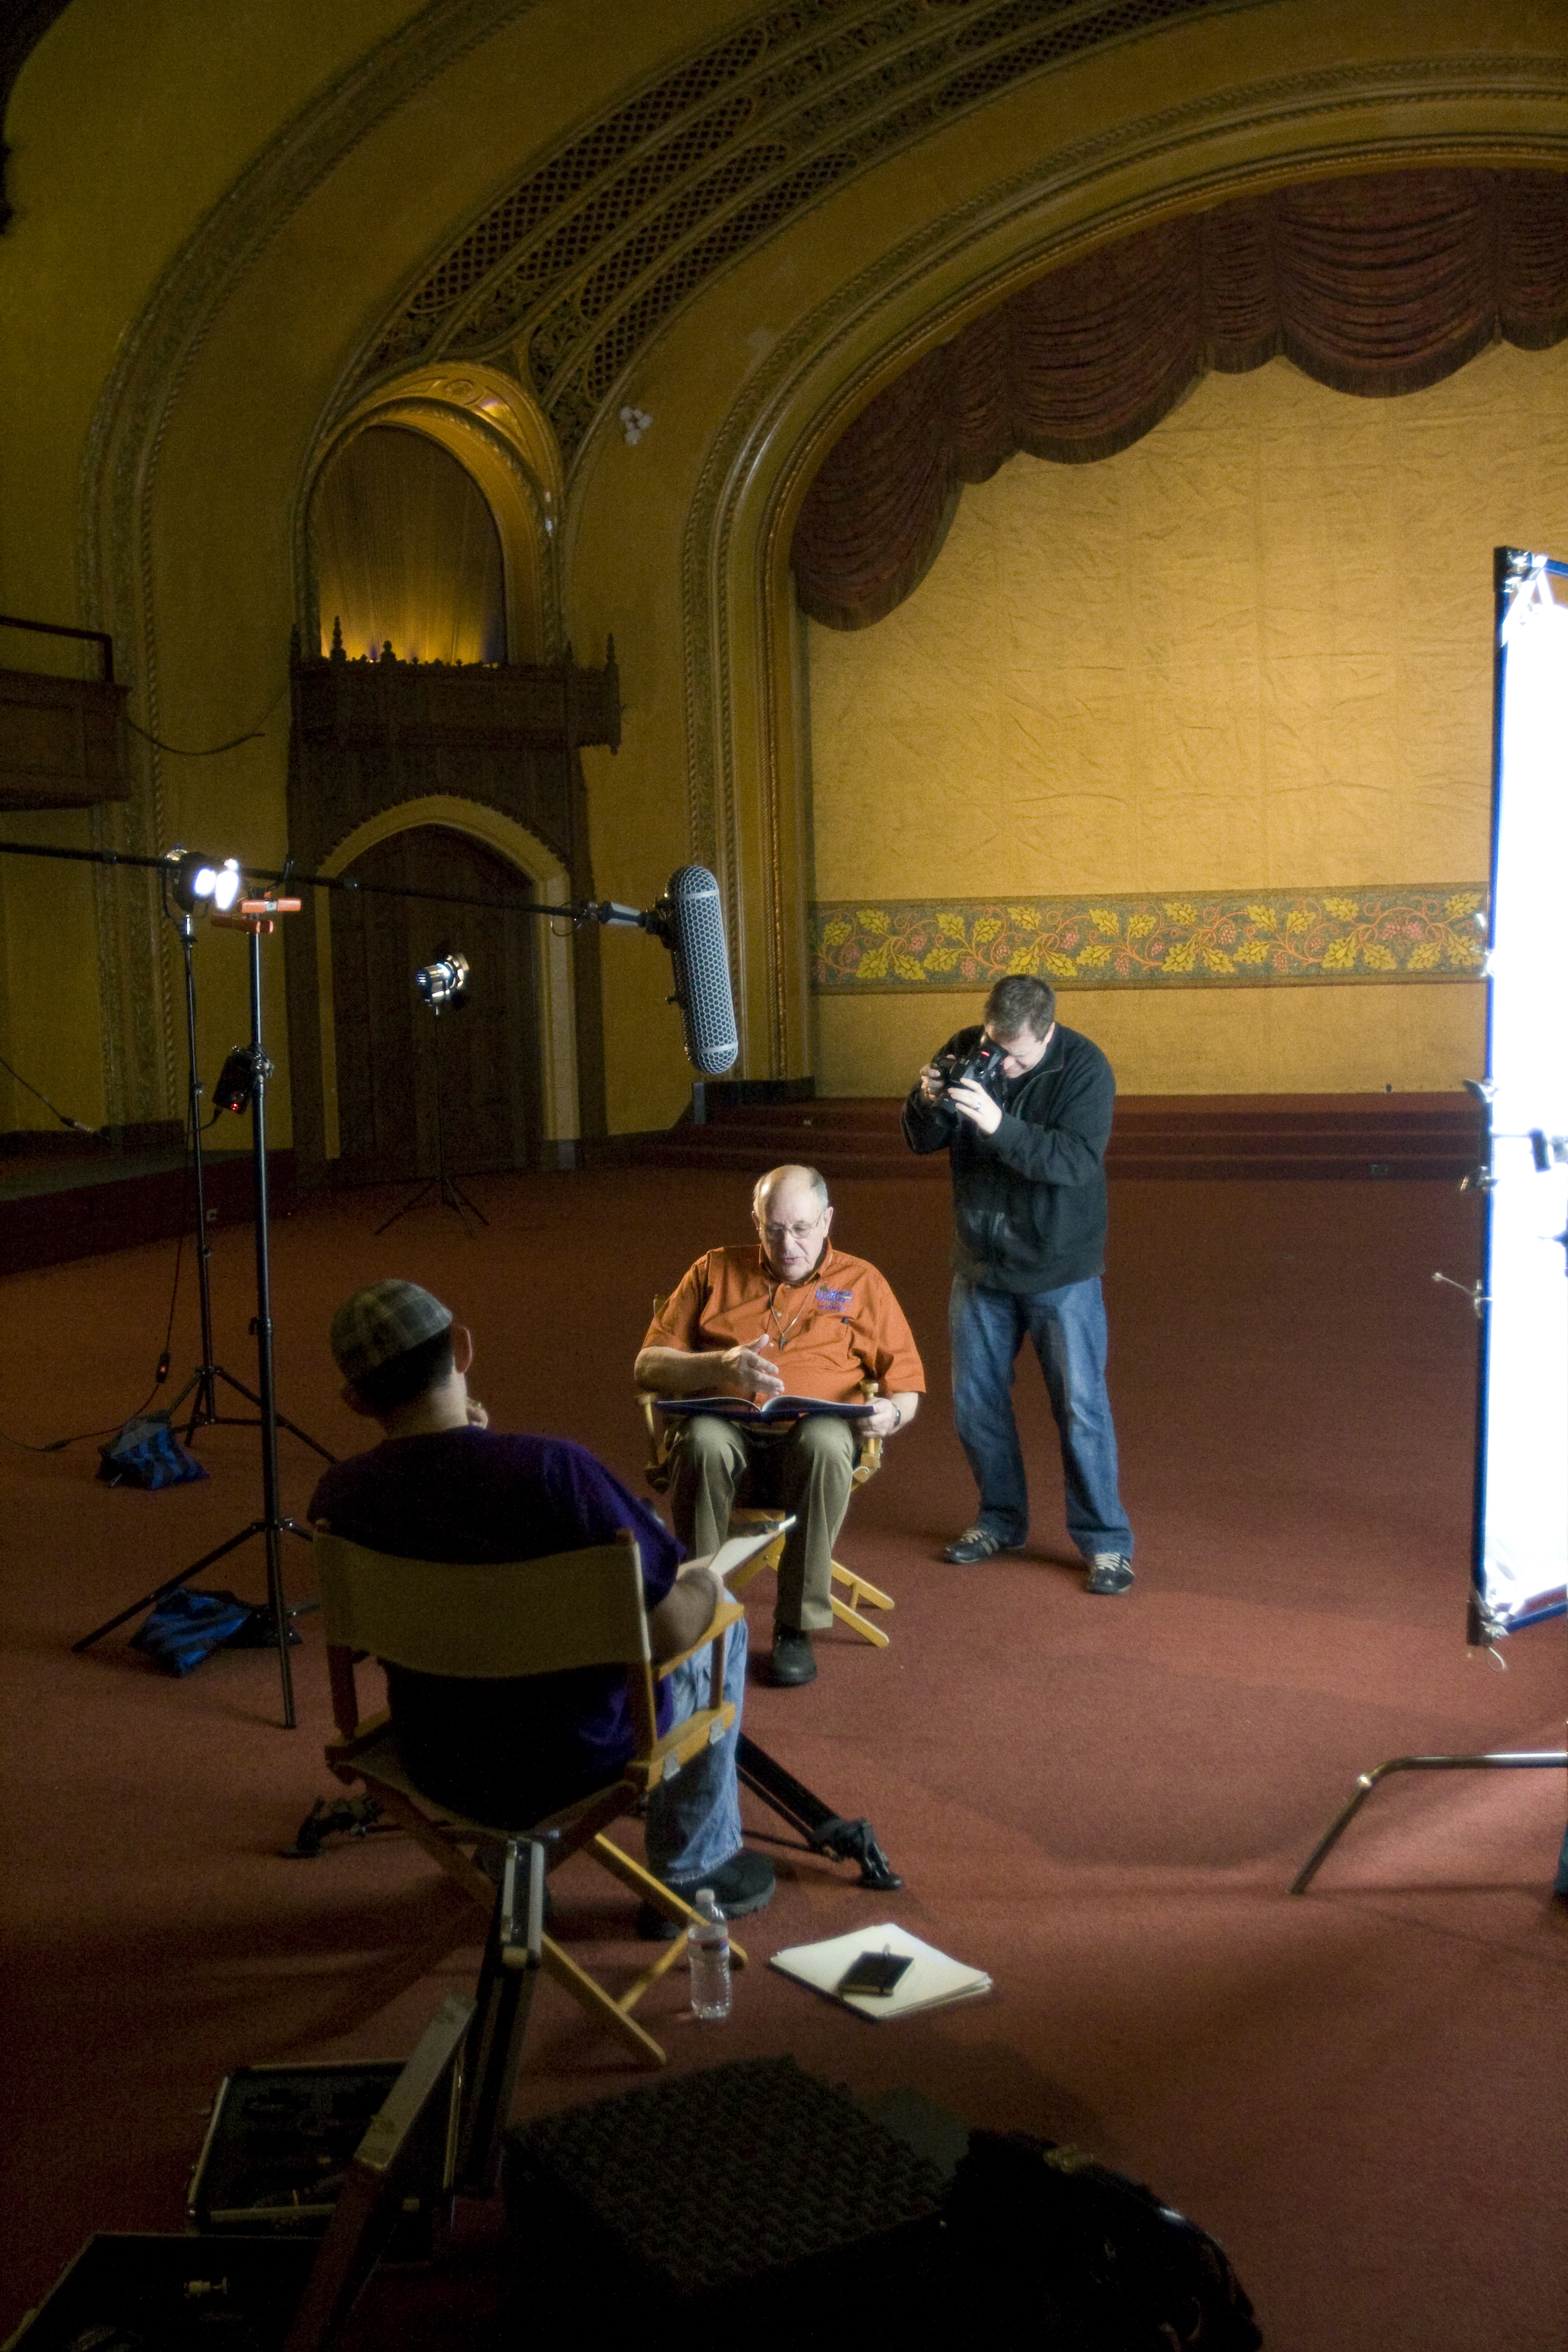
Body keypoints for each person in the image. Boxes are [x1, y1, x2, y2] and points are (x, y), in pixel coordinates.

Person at [308, 1278, 774, 1927]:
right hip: (579, 1756)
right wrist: (708, 1582)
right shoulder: (555, 1473)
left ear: (356, 1400)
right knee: (721, 1624)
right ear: (462, 1349)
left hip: (437, 1758)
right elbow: (667, 1634)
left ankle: (507, 1875)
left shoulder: (341, 1499)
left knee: (475, 1651)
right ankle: (692, 1871)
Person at [635, 1164, 924, 1687]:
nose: (787, 1245)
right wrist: (717, 1366)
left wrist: (894, 1413)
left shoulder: (861, 1282)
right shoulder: (713, 1271)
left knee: (826, 1439)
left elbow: (906, 1385)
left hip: (814, 1452)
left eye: (802, 1229)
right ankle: (700, 1614)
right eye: (773, 1229)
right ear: (755, 1221)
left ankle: (795, 1625)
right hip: (725, 1442)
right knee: (701, 1440)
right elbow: (647, 1366)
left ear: (828, 1219)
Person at [901, 973, 1135, 1596]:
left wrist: (997, 1123)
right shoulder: (968, 1047)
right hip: (981, 1263)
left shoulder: (1085, 1069)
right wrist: (927, 1102)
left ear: (1047, 1032)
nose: (998, 1060)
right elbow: (920, 1141)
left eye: (1015, 1054)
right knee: (975, 1407)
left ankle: (1106, 1542)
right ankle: (1001, 1521)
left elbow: (1074, 1161)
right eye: (991, 1044)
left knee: (1081, 1410)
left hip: (1060, 1269)